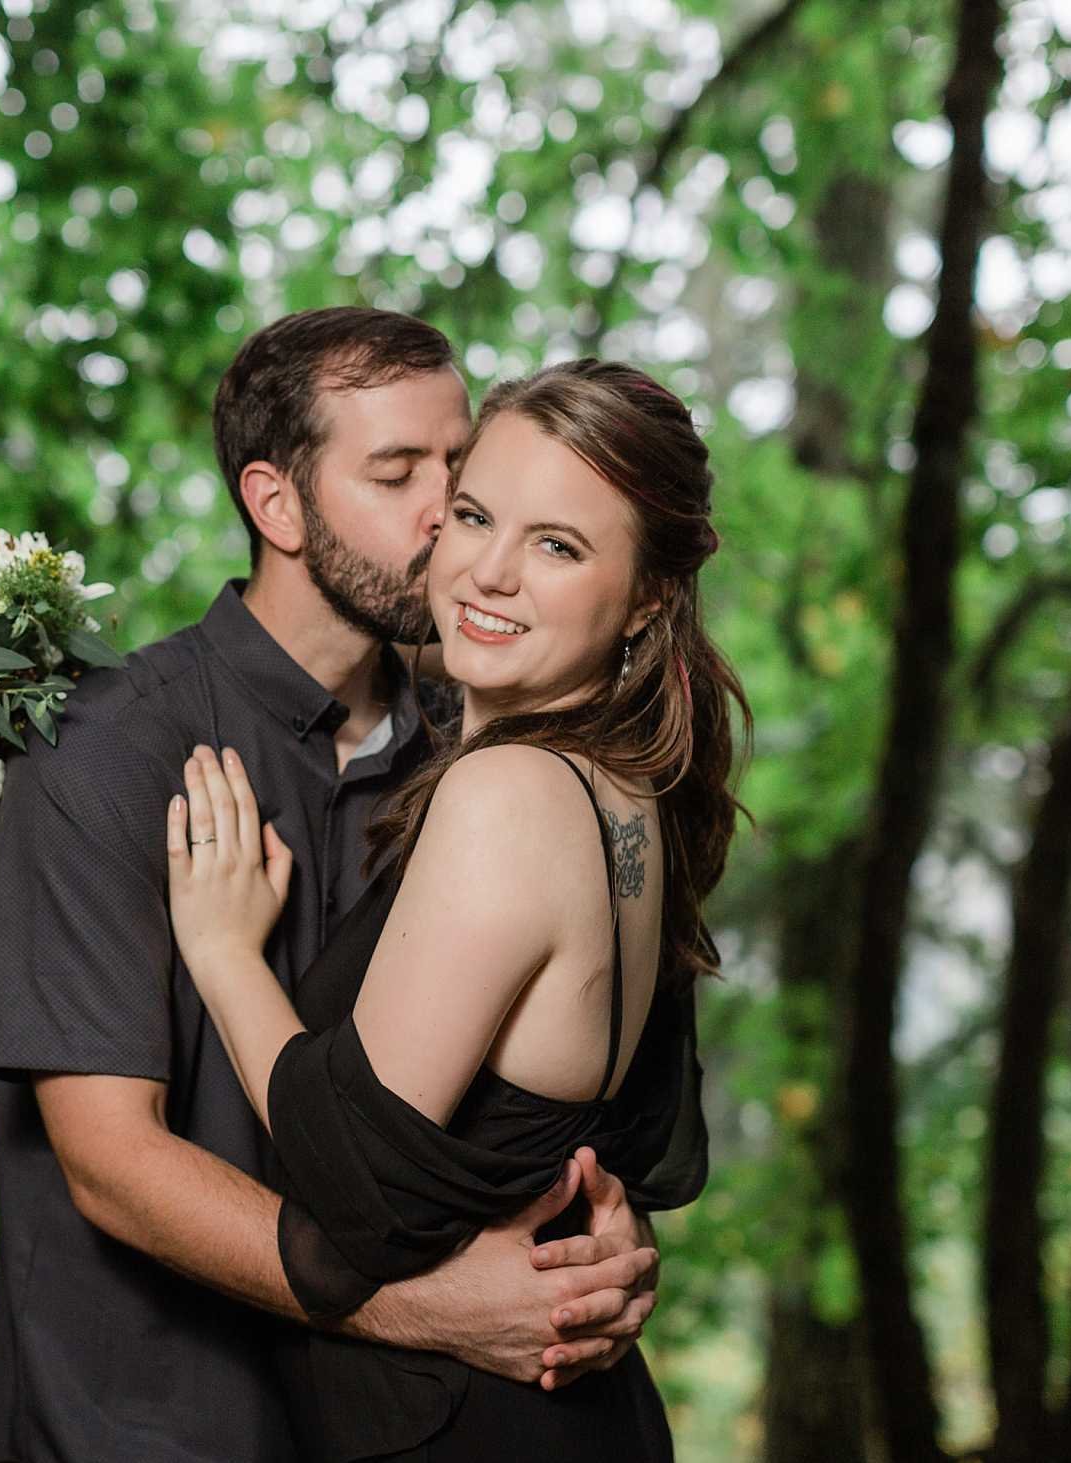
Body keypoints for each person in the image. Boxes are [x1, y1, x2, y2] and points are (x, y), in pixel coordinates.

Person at [0, 312, 674, 1462]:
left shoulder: (489, 748)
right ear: (275, 504)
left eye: (461, 467)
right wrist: (433, 1302)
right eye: (396, 474)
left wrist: (594, 1242)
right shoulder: (102, 754)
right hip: (151, 1424)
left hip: (403, 1424)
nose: (444, 512)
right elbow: (111, 1165)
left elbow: (559, 1078)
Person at [163, 358, 744, 1459]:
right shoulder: (629, 790)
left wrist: (224, 949)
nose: (489, 570)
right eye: (474, 515)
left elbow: (357, 1194)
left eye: (558, 545)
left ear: (648, 595)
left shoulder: (504, 794)